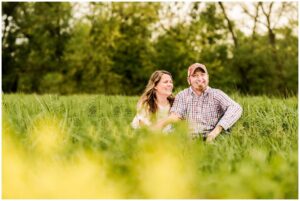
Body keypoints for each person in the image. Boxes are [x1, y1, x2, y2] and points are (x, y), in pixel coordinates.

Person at [153, 63, 243, 141]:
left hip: (211, 137)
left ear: (207, 77)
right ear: (189, 80)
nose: (200, 78)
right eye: (195, 76)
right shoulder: (182, 95)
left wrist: (216, 131)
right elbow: (175, 115)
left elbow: (236, 108)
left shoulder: (216, 94)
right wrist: (159, 125)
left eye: (202, 74)